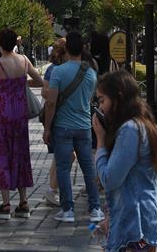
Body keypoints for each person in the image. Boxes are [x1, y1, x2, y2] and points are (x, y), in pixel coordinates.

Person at [93, 70, 157, 252]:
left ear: (118, 98)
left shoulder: (130, 130)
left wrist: (101, 140)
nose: (100, 107)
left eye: (102, 100)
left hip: (137, 225)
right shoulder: (141, 123)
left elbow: (110, 179)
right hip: (140, 219)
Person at [41, 31, 103, 224]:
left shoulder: (59, 71)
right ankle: (95, 208)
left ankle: (67, 209)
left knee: (63, 168)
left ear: (66, 49)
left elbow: (51, 103)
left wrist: (47, 128)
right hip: (84, 125)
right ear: (83, 48)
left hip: (63, 127)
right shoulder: (91, 73)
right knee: (88, 168)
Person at [0, 28, 44, 219]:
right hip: (20, 115)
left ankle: (5, 204)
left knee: (2, 155)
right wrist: (22, 84)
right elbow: (39, 81)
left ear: (1, 43)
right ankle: (24, 202)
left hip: (2, 115)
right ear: (16, 43)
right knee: (20, 155)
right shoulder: (24, 60)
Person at [42, 38, 67, 207]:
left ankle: (52, 190)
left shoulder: (71, 68)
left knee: (61, 155)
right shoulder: (52, 70)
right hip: (56, 115)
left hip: (65, 116)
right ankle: (52, 190)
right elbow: (44, 93)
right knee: (65, 155)